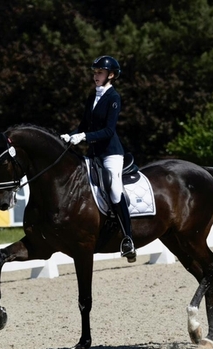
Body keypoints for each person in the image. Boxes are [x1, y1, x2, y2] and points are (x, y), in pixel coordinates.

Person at [60, 55, 136, 263]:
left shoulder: (114, 98)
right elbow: (84, 125)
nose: (96, 76)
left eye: (100, 72)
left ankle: (128, 238)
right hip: (93, 153)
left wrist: (83, 137)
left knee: (114, 188)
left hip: (111, 153)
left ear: (110, 75)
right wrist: (71, 135)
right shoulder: (92, 96)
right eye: (95, 72)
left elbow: (109, 130)